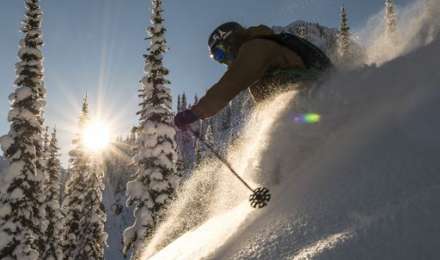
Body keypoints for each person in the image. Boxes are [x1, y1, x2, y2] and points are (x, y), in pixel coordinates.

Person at [174, 22, 332, 129]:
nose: (221, 61)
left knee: (261, 89)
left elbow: (232, 82)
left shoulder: (255, 47)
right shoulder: (259, 47)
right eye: (216, 58)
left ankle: (301, 129)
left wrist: (195, 112)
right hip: (308, 95)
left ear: (231, 40)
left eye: (220, 53)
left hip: (309, 89)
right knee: (260, 92)